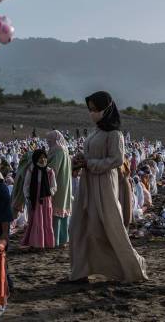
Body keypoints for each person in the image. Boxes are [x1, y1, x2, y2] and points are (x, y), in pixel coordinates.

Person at [66, 91, 147, 283]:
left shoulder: (114, 134)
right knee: (79, 226)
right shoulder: (95, 132)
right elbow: (90, 155)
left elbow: (116, 159)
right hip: (88, 183)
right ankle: (80, 271)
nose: (92, 113)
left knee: (104, 227)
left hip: (103, 185)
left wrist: (91, 163)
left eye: (96, 109)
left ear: (107, 109)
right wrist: (80, 160)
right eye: (91, 109)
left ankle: (129, 268)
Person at [21, 149, 57, 249]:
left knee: (46, 219)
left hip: (45, 199)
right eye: (40, 157)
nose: (42, 159)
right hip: (34, 198)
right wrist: (28, 195)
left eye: (44, 157)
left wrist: (48, 193)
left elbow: (54, 186)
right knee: (35, 219)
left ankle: (46, 242)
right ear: (36, 158)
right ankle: (36, 242)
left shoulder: (49, 171)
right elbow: (26, 184)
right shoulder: (31, 170)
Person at [47, 130, 73, 248]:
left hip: (57, 185)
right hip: (65, 184)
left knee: (56, 211)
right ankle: (62, 239)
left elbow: (53, 170)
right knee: (61, 211)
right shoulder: (65, 150)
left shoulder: (57, 151)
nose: (48, 143)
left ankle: (55, 240)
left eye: (49, 140)